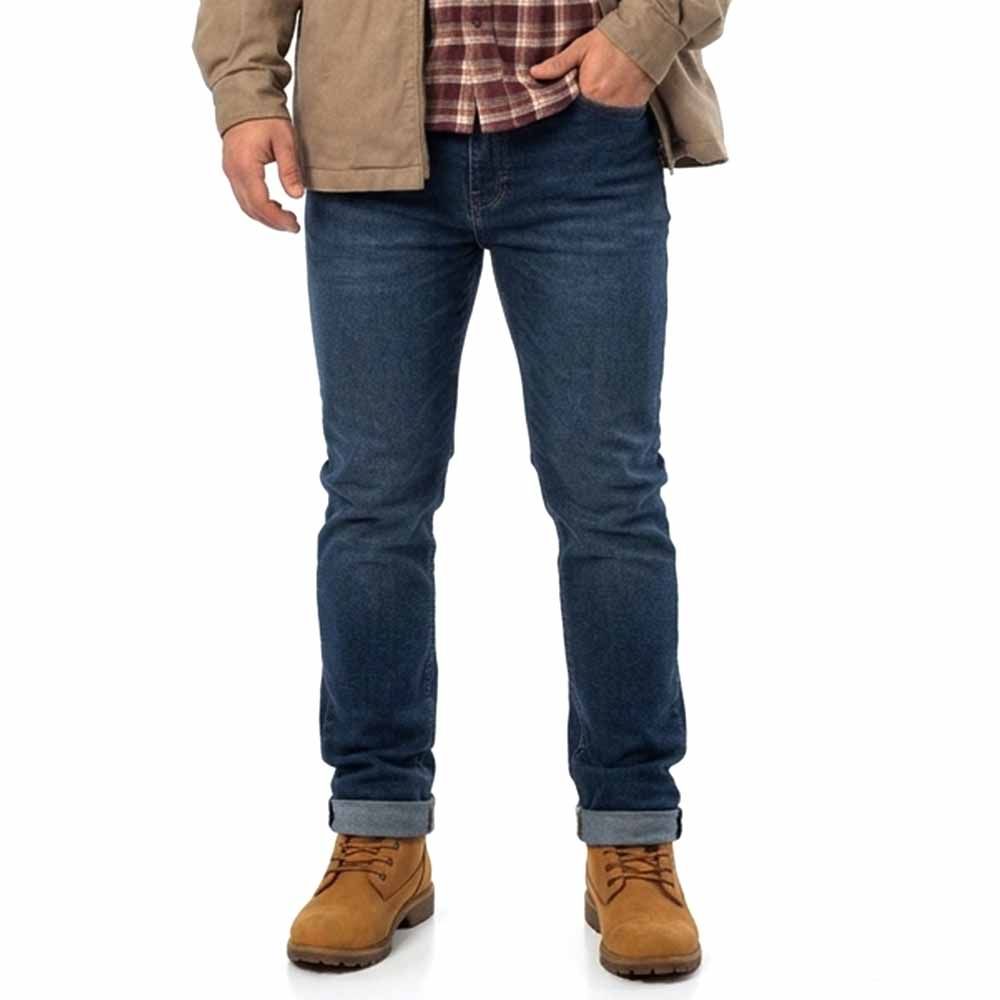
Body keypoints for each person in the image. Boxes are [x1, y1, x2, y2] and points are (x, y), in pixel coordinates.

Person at [194, 0, 730, 978]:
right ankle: (379, 830)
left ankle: (632, 833)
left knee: (610, 503)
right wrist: (244, 89)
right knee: (374, 505)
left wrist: (649, 30)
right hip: (369, 153)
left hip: (586, 139)